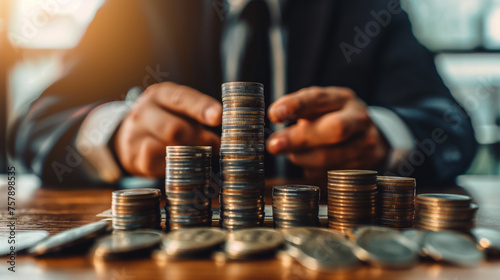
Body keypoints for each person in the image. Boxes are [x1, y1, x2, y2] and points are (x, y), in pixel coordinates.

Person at [9, 0, 476, 186]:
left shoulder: (367, 6)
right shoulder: (138, 7)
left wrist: (382, 135)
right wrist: (115, 132)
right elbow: (35, 122)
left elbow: (450, 123)